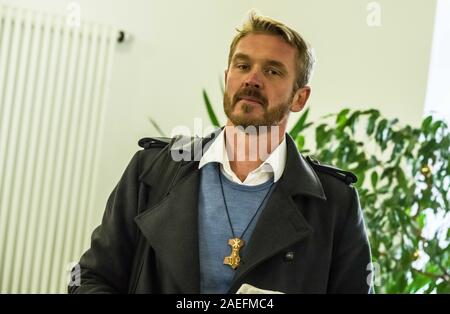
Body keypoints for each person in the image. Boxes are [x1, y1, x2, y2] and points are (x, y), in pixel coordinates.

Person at [69, 11, 373, 294]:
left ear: (299, 97)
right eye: (243, 66)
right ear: (228, 78)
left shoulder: (335, 204)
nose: (252, 79)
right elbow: (90, 278)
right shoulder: (151, 170)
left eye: (272, 71)